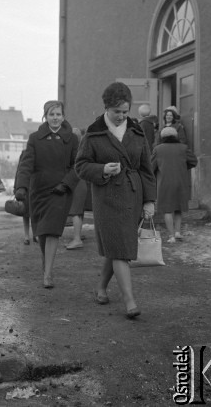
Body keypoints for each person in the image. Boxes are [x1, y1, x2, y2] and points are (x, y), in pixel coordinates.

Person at [75, 82, 156, 319]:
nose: (121, 116)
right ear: (106, 108)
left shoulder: (137, 132)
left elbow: (146, 169)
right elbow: (80, 166)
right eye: (116, 111)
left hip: (133, 194)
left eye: (125, 111)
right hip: (107, 197)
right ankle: (130, 301)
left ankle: (101, 287)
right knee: (120, 248)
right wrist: (102, 169)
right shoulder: (93, 133)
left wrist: (149, 200)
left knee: (116, 245)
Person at [15, 101, 79, 288]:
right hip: (39, 191)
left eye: (58, 114)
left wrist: (66, 184)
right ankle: (47, 264)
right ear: (45, 116)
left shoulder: (72, 139)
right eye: (51, 114)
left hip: (60, 191)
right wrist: (21, 187)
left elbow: (77, 166)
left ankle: (48, 274)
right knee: (41, 232)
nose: (55, 118)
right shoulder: (35, 138)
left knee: (51, 231)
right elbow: (26, 164)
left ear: (63, 116)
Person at [151, 126, 198, 243]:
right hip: (180, 181)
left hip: (164, 183)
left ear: (162, 137)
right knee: (178, 207)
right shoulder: (183, 148)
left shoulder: (158, 149)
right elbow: (193, 161)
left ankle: (171, 236)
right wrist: (182, 168)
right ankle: (178, 232)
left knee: (167, 209)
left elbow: (151, 167)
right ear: (175, 136)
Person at [66, 128, 88, 250]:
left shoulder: (73, 151)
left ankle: (77, 239)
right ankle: (78, 235)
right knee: (79, 211)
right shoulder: (82, 149)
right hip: (82, 182)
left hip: (76, 182)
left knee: (75, 212)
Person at [14, 149, 34, 246]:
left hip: (35, 187)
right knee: (26, 213)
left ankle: (35, 235)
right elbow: (19, 171)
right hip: (25, 188)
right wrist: (17, 188)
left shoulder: (40, 152)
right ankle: (27, 236)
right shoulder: (25, 153)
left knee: (34, 213)